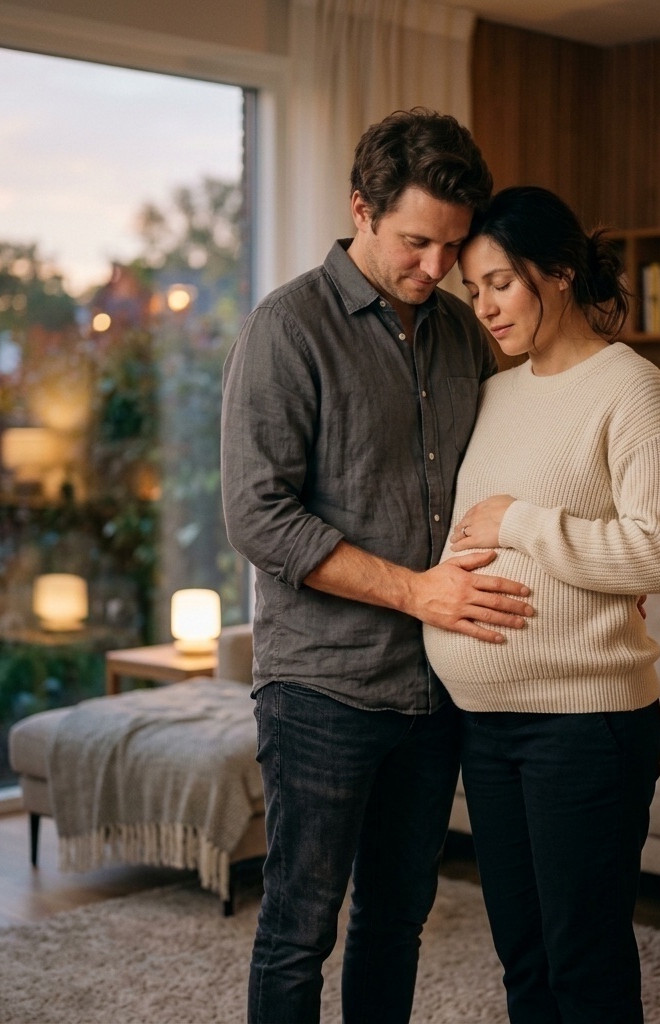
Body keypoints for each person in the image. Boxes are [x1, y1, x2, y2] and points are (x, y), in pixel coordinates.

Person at [220, 110, 535, 1024]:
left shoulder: (456, 332)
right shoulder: (287, 329)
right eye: (416, 242)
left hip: (435, 689)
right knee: (298, 927)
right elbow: (257, 516)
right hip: (323, 687)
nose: (438, 270)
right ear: (360, 207)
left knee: (397, 923)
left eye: (452, 246)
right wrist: (418, 592)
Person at [423, 185, 660, 1023]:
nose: (486, 306)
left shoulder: (631, 388)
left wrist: (525, 523)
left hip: (584, 724)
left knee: (586, 965)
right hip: (485, 719)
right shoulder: (498, 393)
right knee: (525, 960)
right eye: (474, 290)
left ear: (560, 273)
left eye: (500, 282)